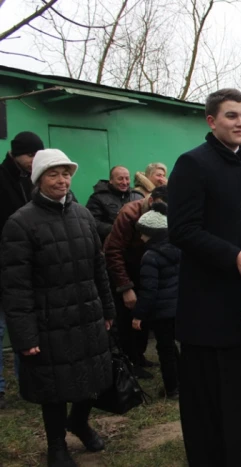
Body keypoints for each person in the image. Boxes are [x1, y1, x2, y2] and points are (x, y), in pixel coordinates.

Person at [168, 88, 241, 466]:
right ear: (211, 121)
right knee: (210, 406)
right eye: (231, 116)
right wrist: (231, 256)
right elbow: (182, 230)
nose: (240, 123)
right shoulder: (193, 164)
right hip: (207, 311)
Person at [1, 149, 115, 467]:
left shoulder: (82, 215)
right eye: (53, 174)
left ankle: (78, 422)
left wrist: (108, 310)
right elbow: (15, 286)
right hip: (48, 320)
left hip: (86, 314)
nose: (62, 180)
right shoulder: (20, 224)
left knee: (92, 379)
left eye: (66, 173)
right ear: (39, 179)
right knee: (55, 387)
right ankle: (56, 447)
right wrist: (24, 335)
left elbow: (98, 267)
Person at [104, 186, 169, 380]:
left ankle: (139, 357)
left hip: (145, 270)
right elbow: (113, 251)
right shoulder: (128, 214)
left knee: (143, 318)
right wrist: (125, 288)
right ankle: (129, 362)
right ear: (151, 201)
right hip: (124, 271)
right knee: (126, 319)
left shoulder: (165, 211)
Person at [0, 131, 44, 410]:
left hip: (28, 268)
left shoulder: (36, 180)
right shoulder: (2, 179)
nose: (33, 161)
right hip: (3, 265)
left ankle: (26, 381)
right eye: (29, 156)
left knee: (25, 329)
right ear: (15, 154)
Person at [131, 202, 181, 400]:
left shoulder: (150, 257)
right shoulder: (179, 250)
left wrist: (138, 315)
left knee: (165, 350)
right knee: (174, 346)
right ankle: (181, 381)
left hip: (161, 312)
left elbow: (149, 291)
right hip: (178, 308)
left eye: (144, 233)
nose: (141, 237)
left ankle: (172, 389)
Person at [86, 166, 144, 243]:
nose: (124, 182)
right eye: (120, 179)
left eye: (127, 178)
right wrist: (115, 230)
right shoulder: (97, 198)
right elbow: (92, 222)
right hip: (110, 244)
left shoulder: (138, 196)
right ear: (111, 180)